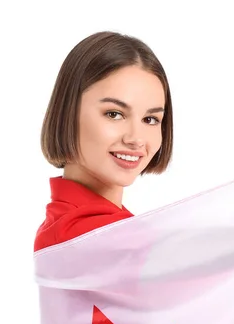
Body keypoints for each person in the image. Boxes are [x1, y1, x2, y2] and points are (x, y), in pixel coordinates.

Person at [34, 31, 173, 253]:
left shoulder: (97, 227)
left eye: (150, 119)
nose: (136, 139)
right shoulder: (90, 234)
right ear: (67, 113)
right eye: (114, 114)